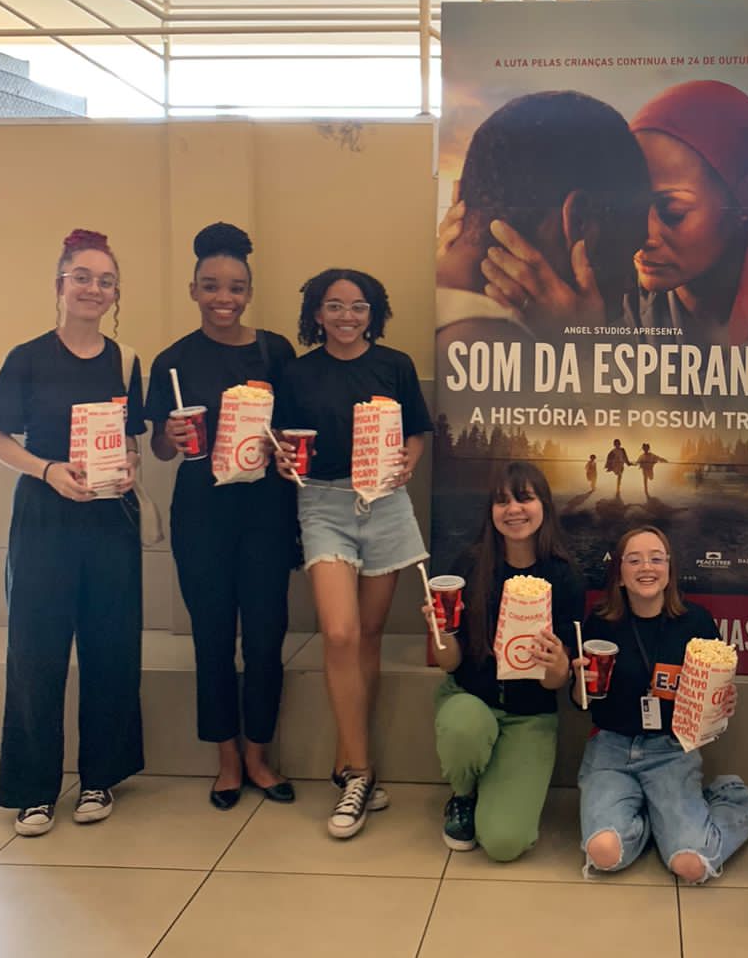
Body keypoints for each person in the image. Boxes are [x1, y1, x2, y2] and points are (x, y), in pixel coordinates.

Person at [0, 228, 145, 836]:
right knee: (36, 650)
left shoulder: (125, 361)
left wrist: (129, 467)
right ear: (60, 284)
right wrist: (48, 470)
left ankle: (101, 776)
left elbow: (131, 442)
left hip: (109, 519)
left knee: (111, 646)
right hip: (44, 517)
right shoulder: (26, 357)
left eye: (106, 281)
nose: (93, 288)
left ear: (115, 293)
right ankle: (34, 789)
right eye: (82, 277)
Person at [475, 79, 748, 352]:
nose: (644, 235)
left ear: (742, 202)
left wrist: (585, 352)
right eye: (632, 210)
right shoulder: (614, 301)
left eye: (673, 212)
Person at [275, 267, 432, 840]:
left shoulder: (395, 365)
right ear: (316, 314)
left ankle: (351, 761)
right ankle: (361, 774)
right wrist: (283, 460)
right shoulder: (297, 372)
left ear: (374, 313)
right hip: (323, 505)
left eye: (358, 306)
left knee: (367, 637)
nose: (347, 316)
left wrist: (410, 458)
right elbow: (281, 442)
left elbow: (417, 430)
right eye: (335, 306)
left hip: (385, 503)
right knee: (338, 633)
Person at [146, 222, 298, 810]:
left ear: (249, 292)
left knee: (265, 636)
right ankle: (227, 759)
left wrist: (285, 453)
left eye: (235, 287)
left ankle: (258, 754)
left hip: (266, 514)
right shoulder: (174, 360)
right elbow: (161, 449)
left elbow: (291, 428)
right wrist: (170, 435)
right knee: (212, 638)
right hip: (202, 515)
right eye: (210, 286)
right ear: (193, 290)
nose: (223, 298)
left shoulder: (275, 352)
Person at [576, 525, 748, 882]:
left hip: (672, 749)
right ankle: (654, 820)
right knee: (604, 854)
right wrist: (579, 682)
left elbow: (714, 695)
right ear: (620, 574)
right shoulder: (600, 622)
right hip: (611, 747)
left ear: (669, 569)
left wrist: (722, 701)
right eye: (634, 560)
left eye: (656, 559)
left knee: (692, 867)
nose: (647, 567)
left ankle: (731, 797)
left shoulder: (696, 622)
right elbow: (580, 700)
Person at [426, 462, 584, 858]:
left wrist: (557, 663)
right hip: (471, 698)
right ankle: (463, 794)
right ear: (491, 512)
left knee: (504, 843)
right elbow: (449, 663)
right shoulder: (469, 566)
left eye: (524, 498)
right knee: (465, 725)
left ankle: (499, 777)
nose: (513, 509)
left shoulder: (564, 576)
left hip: (530, 715)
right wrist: (440, 630)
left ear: (544, 505)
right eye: (502, 501)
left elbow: (555, 683)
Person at [436, 90, 651, 357]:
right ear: (579, 222)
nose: (631, 284)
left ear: (459, 197)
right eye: (627, 255)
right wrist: (583, 355)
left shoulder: (418, 295)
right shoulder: (501, 351)